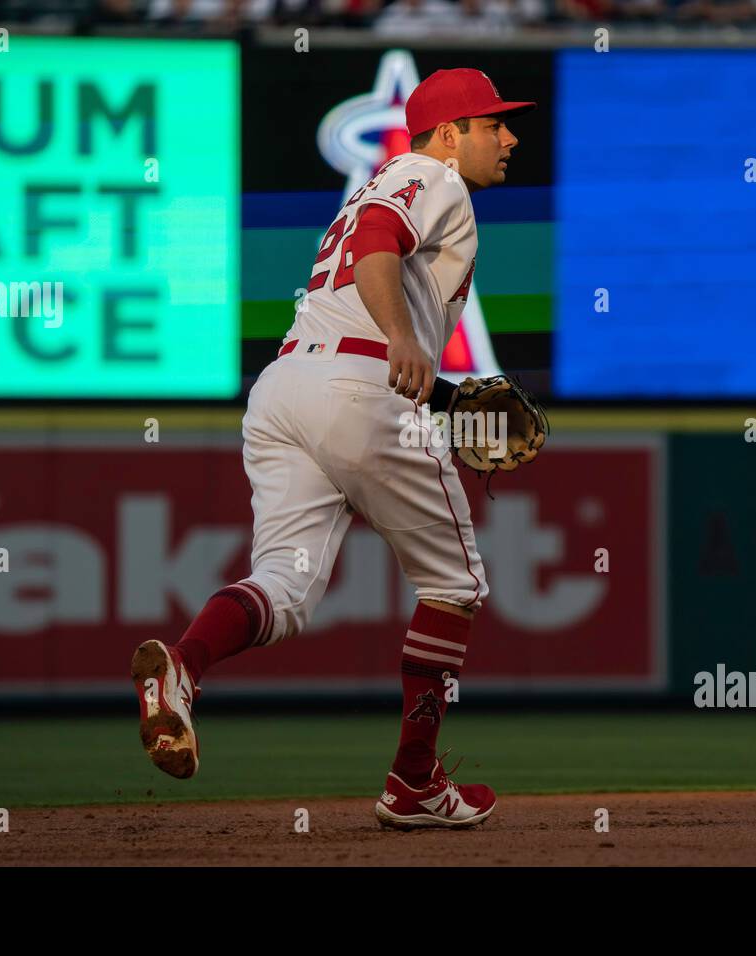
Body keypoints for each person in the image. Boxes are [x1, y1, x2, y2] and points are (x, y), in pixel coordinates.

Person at [131, 68, 535, 830]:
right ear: (449, 136)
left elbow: (365, 308)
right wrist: (407, 340)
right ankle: (414, 780)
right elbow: (380, 254)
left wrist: (442, 391)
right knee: (456, 586)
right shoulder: (433, 175)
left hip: (286, 386)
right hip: (357, 389)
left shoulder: (381, 183)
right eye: (492, 123)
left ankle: (183, 665)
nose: (508, 137)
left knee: (282, 586)